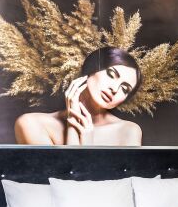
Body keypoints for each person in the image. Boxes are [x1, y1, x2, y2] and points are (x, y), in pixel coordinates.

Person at [14, 47, 143, 145]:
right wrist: (73, 126)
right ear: (91, 68)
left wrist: (86, 142)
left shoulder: (128, 131)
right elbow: (61, 174)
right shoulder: (32, 123)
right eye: (111, 74)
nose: (114, 89)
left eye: (125, 89)